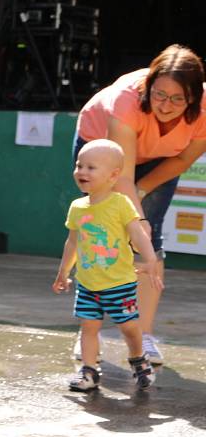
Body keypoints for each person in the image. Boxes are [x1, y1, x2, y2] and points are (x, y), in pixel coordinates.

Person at [74, 44, 206, 364]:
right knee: (102, 236)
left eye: (177, 98)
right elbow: (122, 173)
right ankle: (88, 333)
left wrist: (144, 195)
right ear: (149, 87)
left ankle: (144, 335)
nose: (166, 105)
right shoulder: (126, 100)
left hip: (161, 159)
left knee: (151, 242)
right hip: (105, 153)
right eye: (159, 95)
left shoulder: (204, 108)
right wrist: (138, 222)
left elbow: (185, 158)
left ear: (193, 96)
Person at [53, 139, 163, 392]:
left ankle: (138, 359)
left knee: (129, 327)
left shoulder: (121, 204)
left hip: (119, 283)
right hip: (88, 283)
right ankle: (89, 370)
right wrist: (63, 273)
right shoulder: (77, 207)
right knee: (89, 327)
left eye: (91, 167)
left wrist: (150, 260)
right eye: (79, 165)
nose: (82, 171)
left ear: (113, 175)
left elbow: (137, 235)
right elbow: (72, 244)